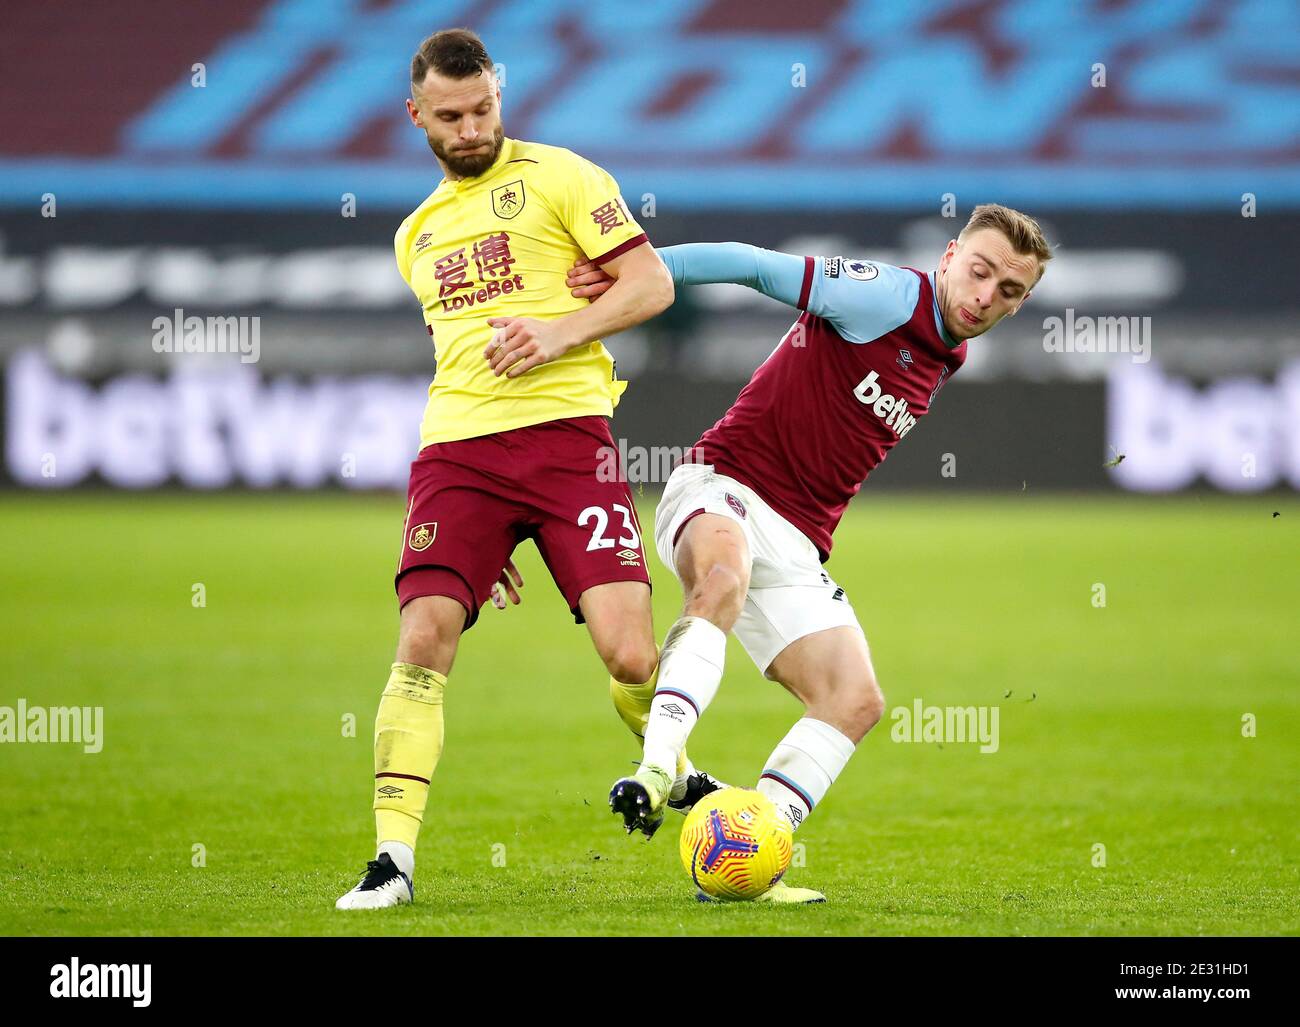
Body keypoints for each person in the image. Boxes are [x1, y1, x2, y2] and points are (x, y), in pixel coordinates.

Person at [571, 204, 1053, 903]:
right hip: (723, 484)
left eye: (1009, 291)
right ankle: (657, 767)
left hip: (796, 542)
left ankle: (751, 849)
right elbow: (751, 264)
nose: (986, 297)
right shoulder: (887, 295)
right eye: (979, 272)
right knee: (722, 577)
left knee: (854, 700)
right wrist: (640, 272)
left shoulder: (950, 348)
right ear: (950, 256)